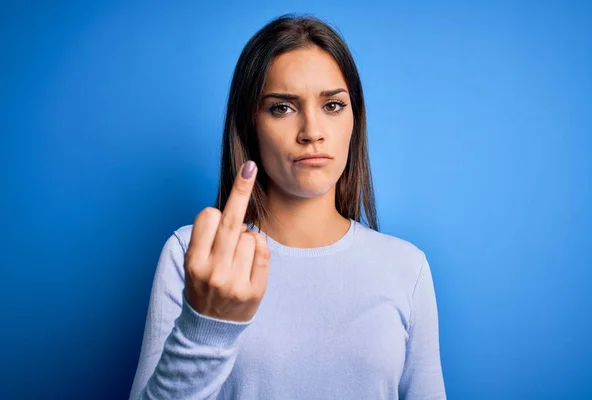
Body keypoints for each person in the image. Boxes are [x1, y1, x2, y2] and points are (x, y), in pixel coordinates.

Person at [129, 14, 446, 400]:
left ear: (354, 120)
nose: (312, 131)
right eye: (282, 108)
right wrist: (206, 328)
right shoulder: (192, 255)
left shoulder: (407, 268)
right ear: (250, 126)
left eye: (332, 105)